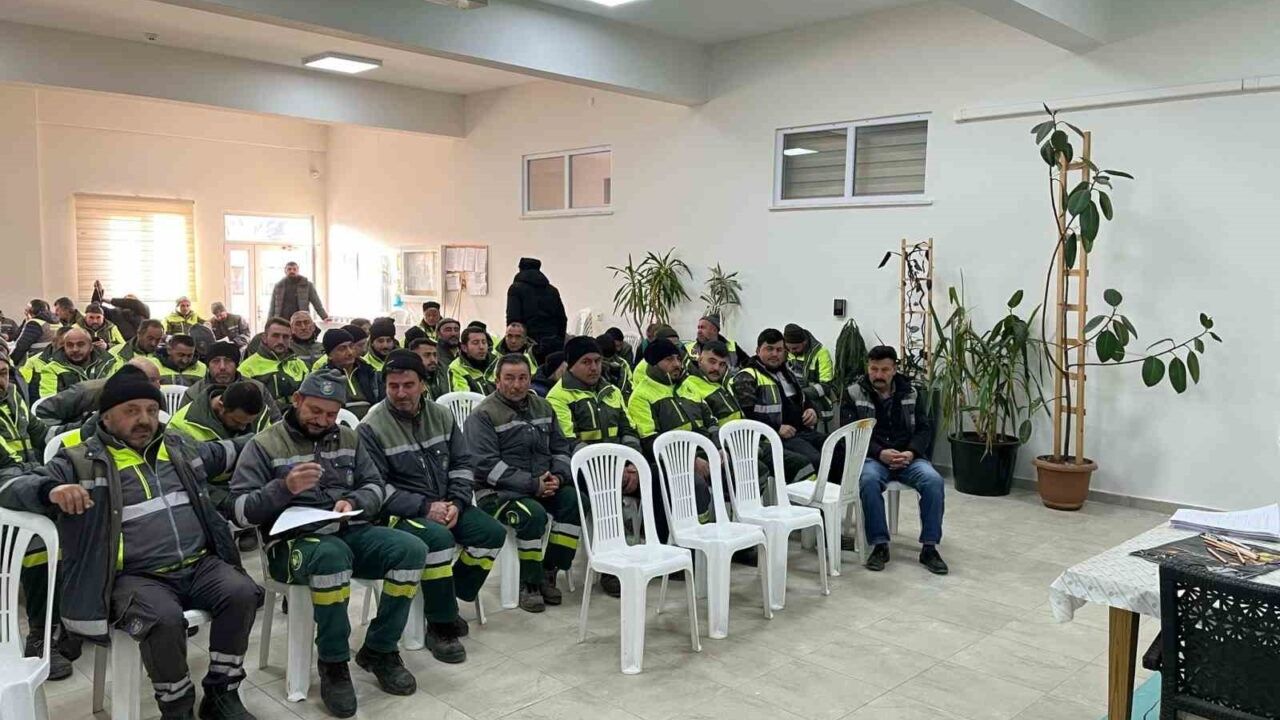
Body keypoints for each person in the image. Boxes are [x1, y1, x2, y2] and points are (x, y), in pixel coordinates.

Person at [0, 365, 262, 720]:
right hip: (134, 576)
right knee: (164, 619)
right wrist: (51, 489)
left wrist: (275, 435)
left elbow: (227, 451)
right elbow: (10, 487)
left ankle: (221, 691)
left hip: (199, 564)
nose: (144, 420)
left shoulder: (177, 447)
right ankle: (177, 707)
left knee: (242, 593)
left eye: (152, 410)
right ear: (106, 417)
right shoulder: (80, 461)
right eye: (132, 410)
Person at [230, 372, 425, 718]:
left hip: (348, 530)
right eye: (315, 411)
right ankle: (333, 663)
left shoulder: (349, 438)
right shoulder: (264, 444)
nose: (322, 421)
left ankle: (380, 649)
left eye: (331, 414)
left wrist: (355, 500)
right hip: (291, 545)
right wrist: (284, 488)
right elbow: (240, 511)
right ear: (297, 401)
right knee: (331, 557)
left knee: (410, 550)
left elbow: (375, 485)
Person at [359, 351, 505, 663]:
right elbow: (375, 487)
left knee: (491, 533)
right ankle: (441, 625)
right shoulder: (371, 426)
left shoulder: (441, 415)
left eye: (408, 385)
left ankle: (446, 597)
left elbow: (463, 463)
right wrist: (426, 508)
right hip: (399, 514)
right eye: (393, 386)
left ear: (423, 384)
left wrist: (457, 502)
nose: (401, 393)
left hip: (447, 502)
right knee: (438, 540)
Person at [465, 354, 579, 613]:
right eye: (509, 378)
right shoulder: (483, 415)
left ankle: (549, 569)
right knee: (532, 514)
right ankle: (530, 582)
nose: (516, 385)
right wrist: (532, 484)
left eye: (522, 378)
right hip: (497, 493)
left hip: (543, 483)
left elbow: (561, 448)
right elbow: (485, 466)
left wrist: (558, 477)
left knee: (574, 501)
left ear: (530, 379)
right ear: (497, 381)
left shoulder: (544, 407)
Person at [549, 337, 642, 597]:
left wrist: (632, 464)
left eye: (598, 361)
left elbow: (628, 429)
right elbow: (569, 443)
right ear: (571, 365)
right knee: (606, 492)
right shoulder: (559, 396)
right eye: (586, 362)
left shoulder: (611, 391)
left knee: (657, 479)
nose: (594, 367)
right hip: (580, 469)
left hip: (619, 467)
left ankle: (654, 549)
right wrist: (612, 470)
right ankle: (611, 568)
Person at [842, 346, 947, 575]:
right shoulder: (853, 393)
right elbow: (850, 433)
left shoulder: (912, 393)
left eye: (884, 370)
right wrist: (880, 452)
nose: (878, 375)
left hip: (908, 456)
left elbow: (924, 429)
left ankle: (929, 548)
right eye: (873, 369)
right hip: (873, 457)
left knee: (933, 481)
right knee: (868, 481)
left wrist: (911, 452)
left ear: (894, 369)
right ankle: (880, 546)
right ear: (867, 367)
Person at [0, 354, 73, 682]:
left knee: (86, 512)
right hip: (6, 495)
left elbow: (44, 435)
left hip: (25, 483)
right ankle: (40, 635)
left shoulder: (12, 399)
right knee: (37, 543)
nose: (0, 381)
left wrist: (89, 430)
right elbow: (6, 471)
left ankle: (74, 617)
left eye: (3, 373)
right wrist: (44, 483)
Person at [626, 338, 716, 541]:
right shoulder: (641, 396)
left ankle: (738, 544)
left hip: (705, 454)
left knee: (747, 467)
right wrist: (690, 461)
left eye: (678, 358)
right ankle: (696, 544)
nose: (677, 364)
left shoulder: (688, 386)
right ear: (654, 364)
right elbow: (651, 444)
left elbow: (711, 422)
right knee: (696, 485)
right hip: (671, 464)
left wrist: (719, 449)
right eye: (669, 360)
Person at [733, 328, 824, 484]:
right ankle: (813, 499)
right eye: (769, 349)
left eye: (779, 350)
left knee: (836, 448)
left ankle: (836, 496)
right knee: (815, 459)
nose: (775, 354)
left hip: (801, 431)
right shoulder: (747, 377)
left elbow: (802, 398)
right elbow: (746, 414)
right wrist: (776, 428)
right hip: (773, 437)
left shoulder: (787, 373)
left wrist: (811, 410)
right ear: (758, 350)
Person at [36, 358, 162, 442]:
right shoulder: (86, 391)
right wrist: (70, 431)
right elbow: (43, 412)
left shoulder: (156, 398)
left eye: (158, 380)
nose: (158, 386)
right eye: (151, 380)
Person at [181, 341, 281, 423]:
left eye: (228, 361)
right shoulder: (194, 393)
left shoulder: (257, 388)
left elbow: (276, 421)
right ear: (208, 366)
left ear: (236, 364)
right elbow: (183, 425)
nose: (222, 367)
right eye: (216, 361)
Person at [505, 257, 567, 361]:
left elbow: (513, 319)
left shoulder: (515, 288)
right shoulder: (552, 290)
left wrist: (513, 343)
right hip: (553, 343)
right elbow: (562, 319)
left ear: (520, 269)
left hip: (530, 345)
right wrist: (559, 340)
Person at [238, 317, 308, 405]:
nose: (281, 341)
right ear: (264, 338)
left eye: (285, 337)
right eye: (275, 336)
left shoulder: (299, 364)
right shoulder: (246, 367)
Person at [314, 328, 381, 419]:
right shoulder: (323, 378)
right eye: (342, 349)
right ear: (329, 355)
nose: (350, 352)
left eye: (351, 346)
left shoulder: (370, 372)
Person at [784, 323, 837, 433]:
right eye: (788, 348)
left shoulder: (821, 353)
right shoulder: (786, 352)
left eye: (795, 348)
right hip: (793, 398)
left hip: (815, 398)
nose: (791, 351)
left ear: (804, 342)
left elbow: (826, 386)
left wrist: (800, 394)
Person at [34, 327, 115, 398]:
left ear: (91, 347)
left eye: (80, 344)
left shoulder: (110, 364)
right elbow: (49, 402)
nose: (75, 349)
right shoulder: (51, 369)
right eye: (69, 345)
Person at [685, 314, 749, 370]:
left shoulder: (732, 346)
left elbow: (748, 364)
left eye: (703, 328)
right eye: (698, 328)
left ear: (714, 330)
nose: (699, 331)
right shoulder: (688, 348)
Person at [449, 326, 496, 395]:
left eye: (484, 342)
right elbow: (463, 397)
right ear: (464, 348)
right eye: (475, 343)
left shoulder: (498, 363)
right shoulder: (456, 367)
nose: (481, 347)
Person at [12, 298, 57, 367]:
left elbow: (21, 346)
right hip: (54, 360)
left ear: (30, 311)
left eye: (26, 310)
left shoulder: (34, 323)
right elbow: (16, 336)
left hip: (38, 362)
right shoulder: (56, 321)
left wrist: (12, 362)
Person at [408, 335, 451, 400]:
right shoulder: (406, 379)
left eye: (435, 355)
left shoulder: (447, 373)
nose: (433, 359)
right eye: (427, 355)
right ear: (414, 357)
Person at [596, 332, 633, 397]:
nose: (606, 363)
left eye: (610, 360)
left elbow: (628, 387)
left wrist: (619, 373)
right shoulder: (591, 367)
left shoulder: (622, 365)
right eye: (604, 360)